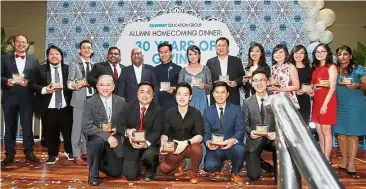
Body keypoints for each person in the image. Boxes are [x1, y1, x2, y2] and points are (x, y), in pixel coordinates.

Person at [29, 45, 73, 165]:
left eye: (57, 54)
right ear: (47, 57)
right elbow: (32, 84)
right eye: (51, 54)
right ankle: (52, 155)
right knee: (50, 132)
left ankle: (70, 152)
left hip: (66, 106)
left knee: (68, 131)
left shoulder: (69, 69)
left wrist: (68, 87)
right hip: (48, 107)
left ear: (61, 57)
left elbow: (73, 85)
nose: (54, 56)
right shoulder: (40, 69)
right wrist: (44, 89)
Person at [1, 34, 39, 166]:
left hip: (26, 98)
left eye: (24, 42)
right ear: (13, 44)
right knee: (10, 127)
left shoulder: (34, 60)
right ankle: (9, 154)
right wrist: (6, 81)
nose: (21, 44)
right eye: (18, 42)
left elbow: (36, 79)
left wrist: (28, 82)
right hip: (9, 98)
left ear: (27, 45)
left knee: (27, 127)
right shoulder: (4, 58)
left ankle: (29, 152)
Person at [82, 75, 125, 186]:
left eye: (108, 85)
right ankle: (93, 174)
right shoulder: (89, 102)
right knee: (97, 143)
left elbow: (125, 122)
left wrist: (118, 129)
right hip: (97, 137)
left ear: (113, 87)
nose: (105, 88)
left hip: (115, 136)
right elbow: (86, 126)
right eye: (102, 85)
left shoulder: (121, 101)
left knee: (116, 172)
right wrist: (107, 136)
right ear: (97, 86)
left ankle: (98, 162)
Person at [159, 82, 204, 184]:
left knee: (197, 148)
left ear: (190, 97)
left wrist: (186, 143)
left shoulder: (196, 113)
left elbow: (200, 136)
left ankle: (193, 172)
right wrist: (163, 144)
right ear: (175, 96)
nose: (182, 97)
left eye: (185, 94)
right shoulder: (169, 113)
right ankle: (180, 163)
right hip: (175, 147)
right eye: (179, 94)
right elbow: (165, 133)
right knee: (164, 168)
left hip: (189, 146)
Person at [203, 81, 245, 187]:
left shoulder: (236, 109)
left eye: (223, 92)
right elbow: (206, 132)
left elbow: (240, 130)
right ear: (212, 94)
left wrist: (232, 140)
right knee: (209, 166)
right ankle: (219, 167)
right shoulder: (207, 111)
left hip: (232, 145)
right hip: (216, 147)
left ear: (228, 94)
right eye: (217, 92)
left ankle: (234, 173)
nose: (220, 95)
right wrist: (208, 142)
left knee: (240, 149)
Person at [118, 82, 163, 181]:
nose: (145, 95)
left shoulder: (158, 109)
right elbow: (119, 126)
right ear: (137, 93)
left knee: (150, 155)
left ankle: (151, 169)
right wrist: (128, 131)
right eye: (142, 92)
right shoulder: (127, 107)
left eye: (148, 92)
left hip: (149, 143)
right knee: (130, 176)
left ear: (153, 95)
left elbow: (157, 130)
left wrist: (146, 143)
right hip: (131, 143)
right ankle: (139, 163)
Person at [334, 45, 366, 177]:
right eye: (339, 54)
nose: (342, 57)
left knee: (353, 135)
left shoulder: (358, 69)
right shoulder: (335, 69)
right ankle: (344, 162)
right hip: (340, 105)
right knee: (341, 135)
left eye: (345, 54)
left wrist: (358, 85)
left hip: (355, 105)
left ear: (350, 56)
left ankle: (351, 164)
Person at [178, 45, 211, 174]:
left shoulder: (205, 68)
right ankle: (187, 164)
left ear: (199, 55)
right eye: (190, 54)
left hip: (202, 102)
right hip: (187, 103)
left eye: (195, 54)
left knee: (201, 130)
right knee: (187, 130)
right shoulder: (183, 70)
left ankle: (201, 164)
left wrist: (205, 86)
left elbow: (211, 87)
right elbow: (180, 87)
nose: (193, 56)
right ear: (187, 56)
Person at [243, 70, 276, 181]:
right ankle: (260, 162)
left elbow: (283, 122)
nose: (259, 83)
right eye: (255, 80)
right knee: (253, 175)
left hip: (272, 139)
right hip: (255, 139)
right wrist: (250, 132)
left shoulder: (276, 99)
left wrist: (276, 133)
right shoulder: (247, 102)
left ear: (268, 82)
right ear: (251, 83)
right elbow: (245, 123)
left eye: (262, 80)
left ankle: (279, 168)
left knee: (279, 145)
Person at [67, 40, 95, 165]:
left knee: (88, 128)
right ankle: (76, 154)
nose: (86, 50)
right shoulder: (74, 64)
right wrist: (77, 85)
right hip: (79, 101)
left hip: (92, 101)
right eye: (84, 48)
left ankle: (85, 152)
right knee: (77, 129)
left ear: (92, 50)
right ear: (80, 50)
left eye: (89, 48)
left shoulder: (94, 65)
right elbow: (69, 83)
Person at [309, 43, 337, 163]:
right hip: (316, 101)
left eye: (322, 51)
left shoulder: (331, 67)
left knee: (326, 130)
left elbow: (332, 87)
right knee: (319, 131)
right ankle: (322, 157)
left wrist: (325, 104)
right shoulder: (315, 68)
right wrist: (312, 90)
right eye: (317, 52)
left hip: (328, 102)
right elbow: (314, 85)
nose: (320, 54)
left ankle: (327, 158)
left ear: (327, 53)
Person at [206, 37, 245, 105]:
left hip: (232, 96)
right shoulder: (210, 62)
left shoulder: (236, 60)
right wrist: (214, 83)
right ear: (216, 48)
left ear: (228, 47)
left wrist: (236, 82)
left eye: (224, 45)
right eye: (219, 45)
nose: (221, 48)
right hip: (216, 98)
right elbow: (207, 79)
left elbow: (242, 77)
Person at [154, 42, 182, 118]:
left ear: (170, 52)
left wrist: (175, 88)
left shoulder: (178, 68)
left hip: (173, 102)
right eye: (161, 52)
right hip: (158, 103)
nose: (163, 55)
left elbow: (182, 87)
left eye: (166, 52)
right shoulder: (154, 69)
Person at [269, 44, 300, 109]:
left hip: (287, 98)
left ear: (286, 54)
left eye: (280, 52)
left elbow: (297, 86)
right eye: (275, 52)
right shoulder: (273, 68)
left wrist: (280, 89)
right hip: (275, 98)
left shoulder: (290, 67)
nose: (278, 54)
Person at [289, 45, 312, 125]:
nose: (298, 55)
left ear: (305, 55)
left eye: (301, 53)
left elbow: (312, 84)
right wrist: (295, 91)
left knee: (303, 125)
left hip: (304, 100)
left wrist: (310, 90)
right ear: (292, 54)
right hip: (290, 99)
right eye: (296, 52)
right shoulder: (287, 68)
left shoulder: (309, 69)